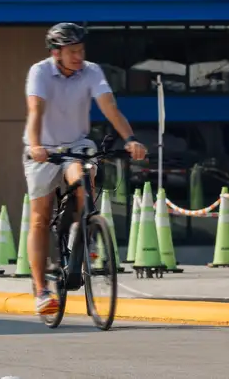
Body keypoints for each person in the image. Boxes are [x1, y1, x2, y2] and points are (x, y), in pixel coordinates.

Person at [24, 22, 147, 316]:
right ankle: (41, 291)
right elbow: (35, 112)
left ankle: (84, 233)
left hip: (76, 145)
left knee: (83, 177)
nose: (78, 56)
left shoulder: (91, 71)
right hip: (44, 149)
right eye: (72, 51)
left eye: (81, 50)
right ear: (56, 53)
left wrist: (130, 139)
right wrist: (35, 145)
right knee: (40, 219)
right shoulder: (40, 72)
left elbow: (110, 108)